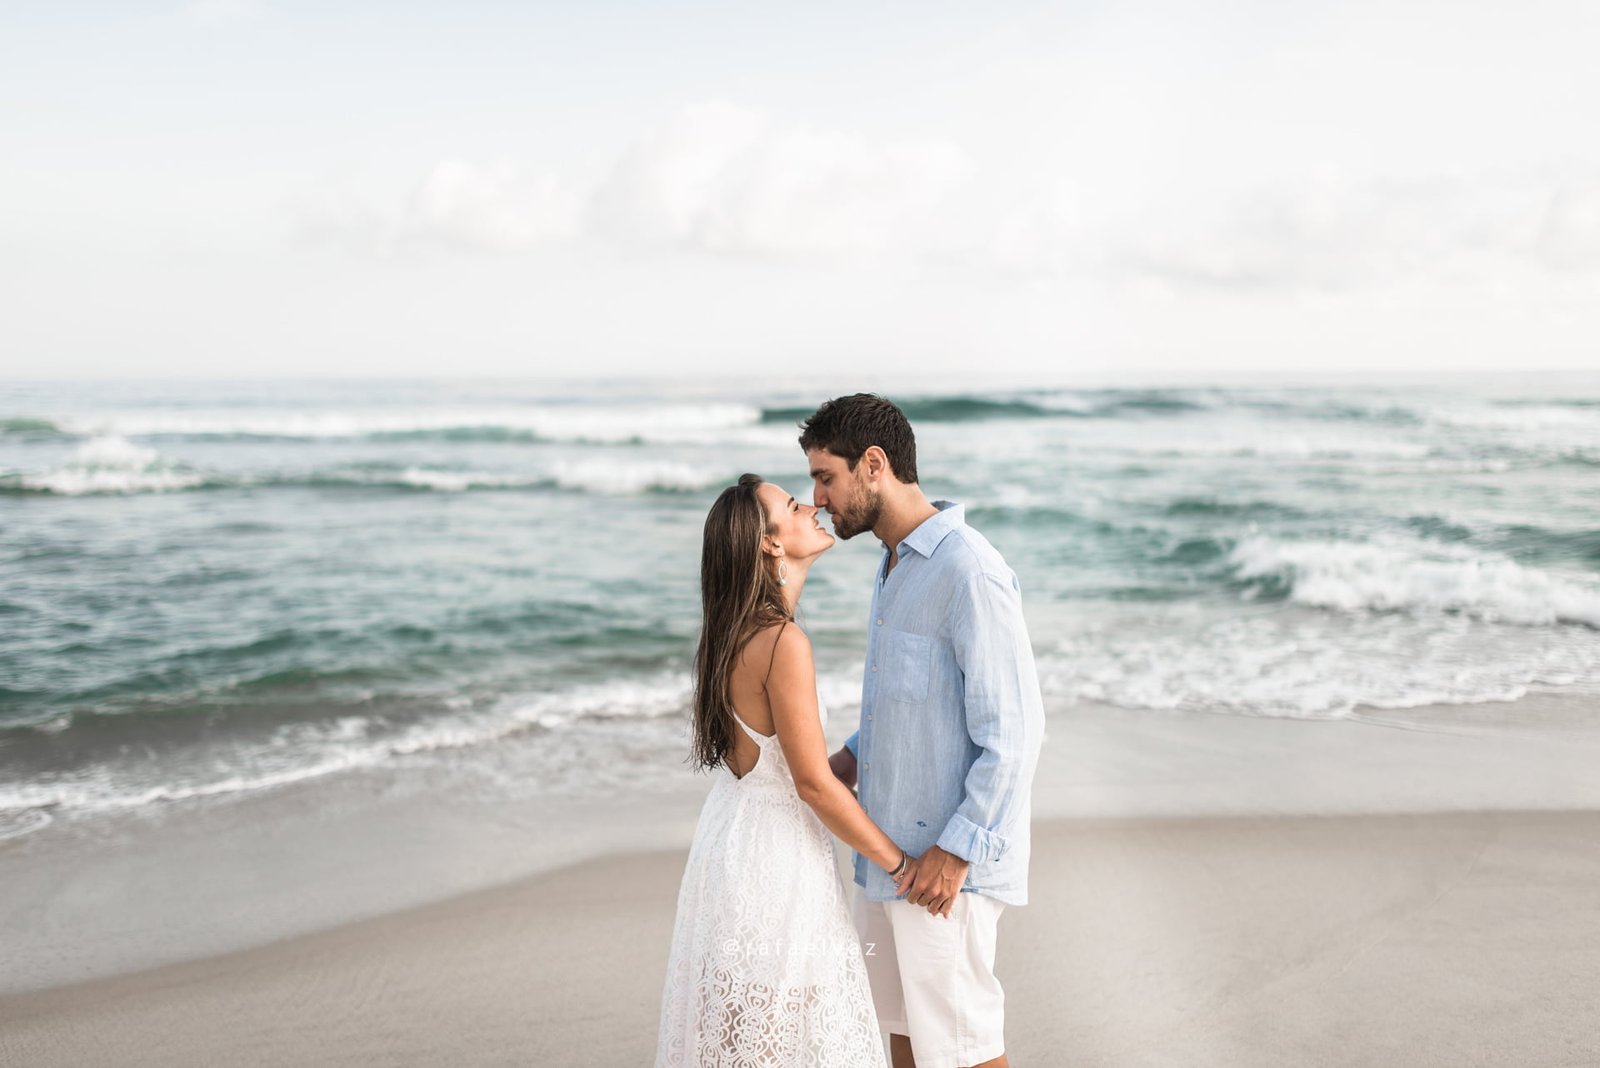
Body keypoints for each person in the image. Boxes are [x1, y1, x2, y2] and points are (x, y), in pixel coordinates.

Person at [801, 394, 1045, 1068]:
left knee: (962, 1048)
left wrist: (958, 849)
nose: (817, 498)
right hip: (890, 860)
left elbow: (1017, 730)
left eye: (826, 476)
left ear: (873, 465)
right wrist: (846, 761)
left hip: (942, 871)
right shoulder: (896, 565)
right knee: (905, 1036)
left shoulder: (967, 569)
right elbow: (915, 707)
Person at [655, 473, 911, 1067]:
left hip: (730, 843)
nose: (812, 506)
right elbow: (812, 784)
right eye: (794, 506)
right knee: (790, 1037)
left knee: (749, 1039)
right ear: (771, 544)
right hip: (776, 860)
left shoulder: (729, 637)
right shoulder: (782, 642)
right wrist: (898, 863)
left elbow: (784, 765)